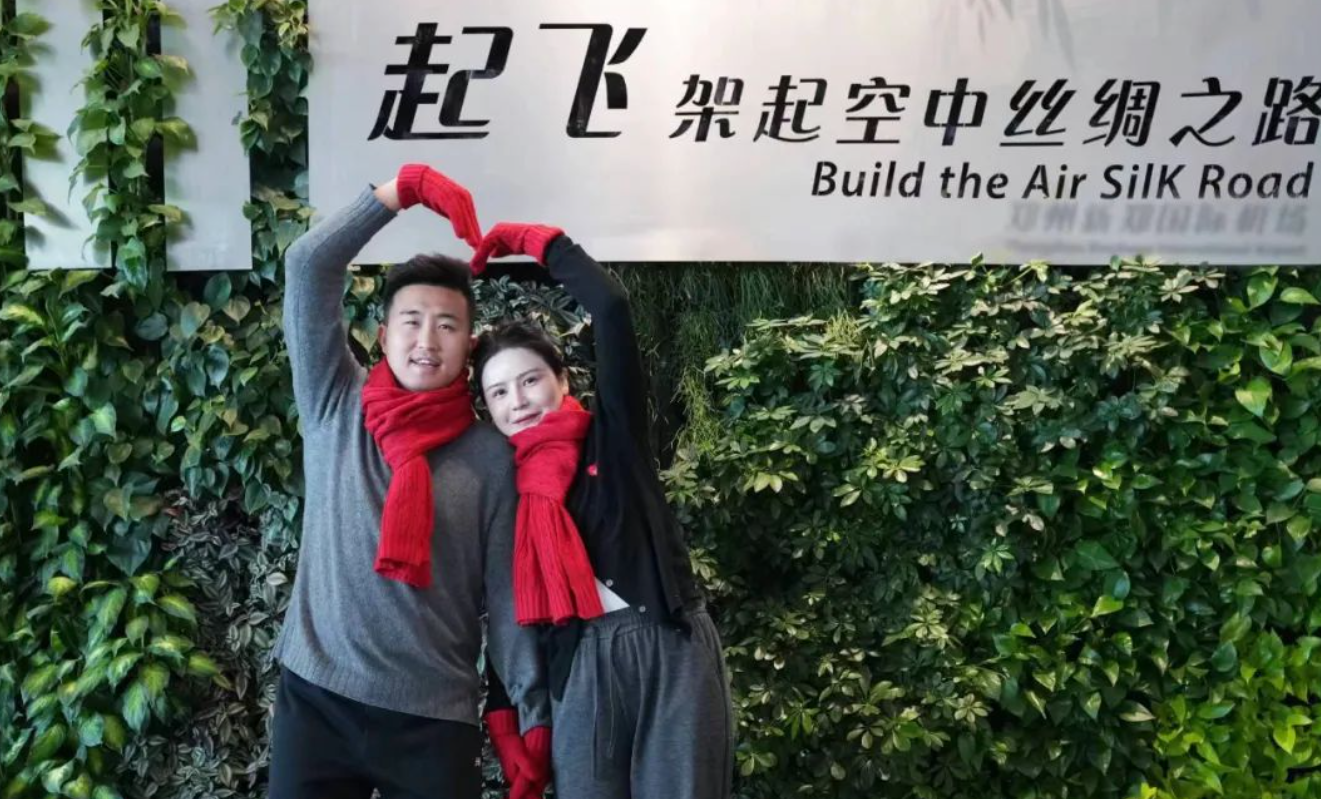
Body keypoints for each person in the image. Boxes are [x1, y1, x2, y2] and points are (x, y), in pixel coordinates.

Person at [270, 166, 549, 799]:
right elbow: (308, 268)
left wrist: (523, 716)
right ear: (382, 335)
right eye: (412, 321)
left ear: (469, 344)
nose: (427, 340)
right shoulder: (335, 402)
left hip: (434, 719)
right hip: (317, 700)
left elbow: (508, 599)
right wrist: (402, 191)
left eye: (447, 325)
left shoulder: (492, 458)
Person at [470, 222, 734, 799]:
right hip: (580, 663)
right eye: (499, 392)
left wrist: (544, 246)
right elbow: (513, 610)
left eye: (530, 380)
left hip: (666, 644)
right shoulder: (506, 493)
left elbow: (611, 309)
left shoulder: (613, 440)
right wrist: (506, 713)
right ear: (488, 410)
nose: (518, 401)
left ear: (563, 381)